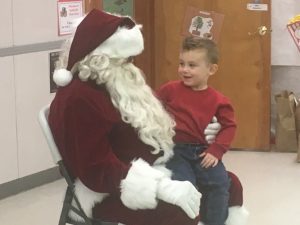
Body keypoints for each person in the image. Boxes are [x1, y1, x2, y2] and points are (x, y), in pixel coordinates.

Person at [48, 9, 247, 225]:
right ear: (99, 58)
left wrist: (205, 128)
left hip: (154, 163)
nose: (130, 64)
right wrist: (162, 187)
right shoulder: (81, 99)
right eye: (123, 59)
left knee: (229, 184)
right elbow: (97, 170)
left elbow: (158, 116)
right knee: (179, 208)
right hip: (114, 188)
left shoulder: (112, 84)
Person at [156, 36, 236, 225]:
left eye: (192, 65)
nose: (184, 69)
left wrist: (216, 150)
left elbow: (229, 126)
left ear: (211, 69)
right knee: (186, 184)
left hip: (203, 151)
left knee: (220, 183)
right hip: (174, 150)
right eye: (182, 63)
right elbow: (150, 106)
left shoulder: (219, 100)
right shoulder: (169, 90)